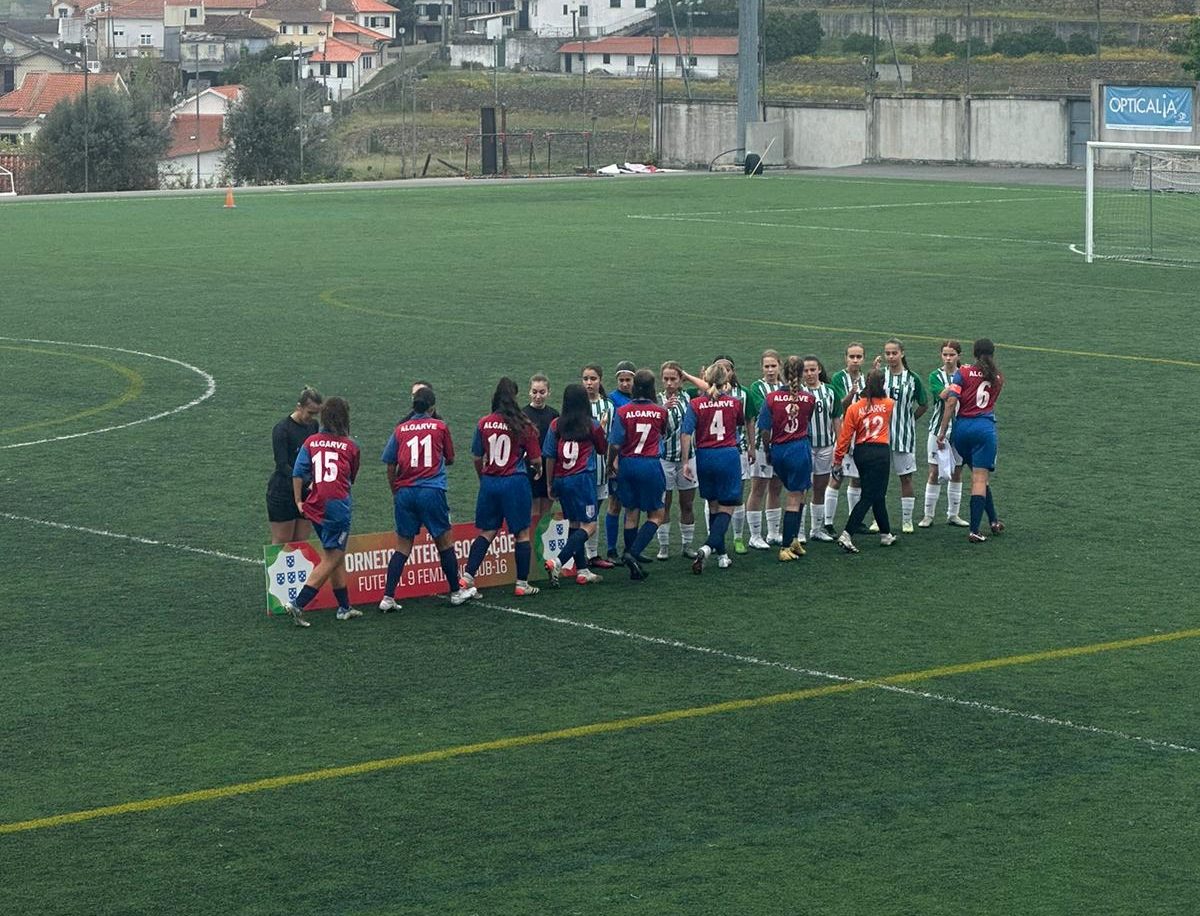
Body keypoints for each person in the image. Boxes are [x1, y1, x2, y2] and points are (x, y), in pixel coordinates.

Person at [379, 385, 477, 610]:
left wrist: (395, 490)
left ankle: (387, 597)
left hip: (405, 492)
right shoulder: (440, 426)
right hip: (431, 490)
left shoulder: (400, 429)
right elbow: (450, 458)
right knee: (444, 542)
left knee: (403, 546)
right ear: (432, 407)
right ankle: (455, 591)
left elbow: (390, 462)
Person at [462, 377, 544, 598]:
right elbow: (536, 459)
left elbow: (477, 457)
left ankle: (467, 576)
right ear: (515, 397)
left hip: (490, 482)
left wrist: (484, 477)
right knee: (522, 533)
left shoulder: (484, 422)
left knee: (487, 531)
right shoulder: (523, 424)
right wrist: (538, 470)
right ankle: (521, 583)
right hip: (514, 482)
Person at [283, 397, 360, 627]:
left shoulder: (311, 442)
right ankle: (298, 603)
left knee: (334, 553)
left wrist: (298, 500)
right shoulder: (350, 446)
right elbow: (350, 478)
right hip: (337, 505)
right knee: (333, 556)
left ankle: (344, 607)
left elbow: (298, 472)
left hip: (314, 505)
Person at [937, 338, 1005, 543]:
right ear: (992, 354)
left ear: (973, 353)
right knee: (980, 479)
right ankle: (975, 530)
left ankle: (993, 520)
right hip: (984, 429)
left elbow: (950, 402)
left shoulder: (963, 372)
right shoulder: (998, 377)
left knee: (979, 477)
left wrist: (942, 431)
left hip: (962, 429)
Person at [681, 363, 746, 574]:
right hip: (727, 455)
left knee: (714, 506)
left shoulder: (695, 404)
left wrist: (685, 462)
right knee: (728, 507)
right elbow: (739, 424)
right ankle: (708, 548)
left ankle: (723, 555)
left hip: (705, 457)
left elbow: (686, 434)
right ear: (725, 381)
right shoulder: (735, 403)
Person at [543, 383, 609, 585]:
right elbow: (601, 450)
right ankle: (558, 561)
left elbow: (549, 455)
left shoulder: (556, 424)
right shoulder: (592, 424)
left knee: (573, 522)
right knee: (590, 525)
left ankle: (582, 570)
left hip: (561, 479)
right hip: (581, 479)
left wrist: (550, 483)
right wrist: (603, 428)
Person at [607, 368, 670, 580]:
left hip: (628, 464)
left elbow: (615, 444)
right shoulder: (660, 411)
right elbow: (664, 432)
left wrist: (610, 464)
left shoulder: (623, 411)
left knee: (631, 511)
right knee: (657, 514)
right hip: (650, 464)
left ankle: (628, 553)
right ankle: (633, 553)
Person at [758, 356, 817, 562]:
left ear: (783, 372)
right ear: (801, 374)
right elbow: (806, 421)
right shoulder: (809, 399)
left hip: (779, 450)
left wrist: (768, 450)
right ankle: (785, 546)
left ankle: (793, 540)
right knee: (795, 496)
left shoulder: (771, 398)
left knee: (799, 493)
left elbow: (765, 429)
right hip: (799, 450)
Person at [832, 369, 896, 554]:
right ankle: (847, 533)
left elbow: (845, 437)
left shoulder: (854, 408)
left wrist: (838, 459)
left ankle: (886, 534)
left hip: (861, 451)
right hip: (880, 451)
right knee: (870, 494)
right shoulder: (888, 404)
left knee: (877, 494)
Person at [877, 337, 928, 534]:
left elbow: (923, 403)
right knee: (879, 479)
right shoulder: (880, 375)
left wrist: (910, 420)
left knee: (906, 478)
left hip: (903, 437)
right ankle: (877, 519)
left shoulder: (913, 378)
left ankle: (907, 520)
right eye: (887, 353)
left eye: (894, 353)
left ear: (902, 353)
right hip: (880, 436)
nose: (890, 357)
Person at [920, 341, 969, 528]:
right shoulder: (935, 375)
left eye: (952, 355)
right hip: (937, 429)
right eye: (945, 355)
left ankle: (953, 514)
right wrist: (959, 384)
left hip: (960, 430)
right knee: (933, 472)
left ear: (959, 355)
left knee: (957, 471)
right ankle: (928, 515)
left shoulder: (964, 373)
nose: (948, 358)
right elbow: (943, 396)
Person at [655, 361, 699, 560]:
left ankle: (687, 545)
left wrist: (688, 376)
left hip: (687, 459)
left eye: (674, 379)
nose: (670, 383)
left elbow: (709, 388)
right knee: (663, 504)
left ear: (680, 380)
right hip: (664, 459)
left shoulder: (689, 396)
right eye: (666, 379)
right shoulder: (656, 400)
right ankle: (663, 546)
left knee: (687, 504)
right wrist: (662, 409)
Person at [267, 387, 322, 545]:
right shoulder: (282, 429)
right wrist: (306, 481)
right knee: (282, 541)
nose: (312, 417)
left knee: (301, 542)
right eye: (310, 412)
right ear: (299, 407)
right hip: (283, 491)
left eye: (315, 414)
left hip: (306, 492)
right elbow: (282, 465)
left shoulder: (313, 426)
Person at [823, 343, 866, 535]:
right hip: (844, 433)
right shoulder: (839, 378)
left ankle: (853, 521)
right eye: (852, 357)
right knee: (837, 478)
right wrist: (851, 393)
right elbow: (839, 406)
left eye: (858, 356)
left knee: (856, 479)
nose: (855, 360)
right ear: (845, 358)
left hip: (862, 435)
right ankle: (827, 522)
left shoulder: (866, 378)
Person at [745, 349, 785, 550]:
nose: (770, 370)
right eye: (767, 366)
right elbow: (766, 412)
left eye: (773, 366)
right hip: (763, 445)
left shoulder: (785, 387)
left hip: (782, 443)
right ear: (762, 368)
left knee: (776, 487)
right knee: (758, 488)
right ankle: (754, 535)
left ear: (780, 365)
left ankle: (773, 532)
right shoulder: (757, 387)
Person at [581, 364, 616, 570]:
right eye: (585, 379)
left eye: (593, 378)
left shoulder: (608, 406)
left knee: (595, 512)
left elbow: (612, 438)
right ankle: (583, 555)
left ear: (600, 380)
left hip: (602, 468)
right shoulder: (577, 406)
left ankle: (592, 555)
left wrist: (612, 461)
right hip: (582, 469)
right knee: (585, 513)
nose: (589, 383)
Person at [602, 360, 637, 562]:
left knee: (632, 505)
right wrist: (612, 461)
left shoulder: (638, 399)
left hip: (634, 458)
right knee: (615, 504)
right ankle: (611, 549)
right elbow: (610, 434)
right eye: (621, 380)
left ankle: (630, 550)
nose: (625, 384)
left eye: (628, 380)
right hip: (618, 458)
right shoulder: (612, 400)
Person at [801, 355, 838, 542]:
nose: (809, 373)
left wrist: (840, 443)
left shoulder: (830, 391)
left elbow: (836, 417)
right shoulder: (798, 392)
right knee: (802, 489)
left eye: (812, 370)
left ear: (819, 370)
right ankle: (799, 531)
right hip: (805, 446)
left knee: (820, 488)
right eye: (806, 370)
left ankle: (816, 529)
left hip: (825, 446)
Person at [523, 373, 559, 520]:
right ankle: (531, 542)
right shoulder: (523, 414)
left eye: (542, 392)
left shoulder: (554, 414)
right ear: (529, 392)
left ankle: (539, 542)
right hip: (529, 467)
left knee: (545, 513)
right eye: (535, 392)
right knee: (533, 512)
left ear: (548, 392)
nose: (538, 396)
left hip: (549, 466)